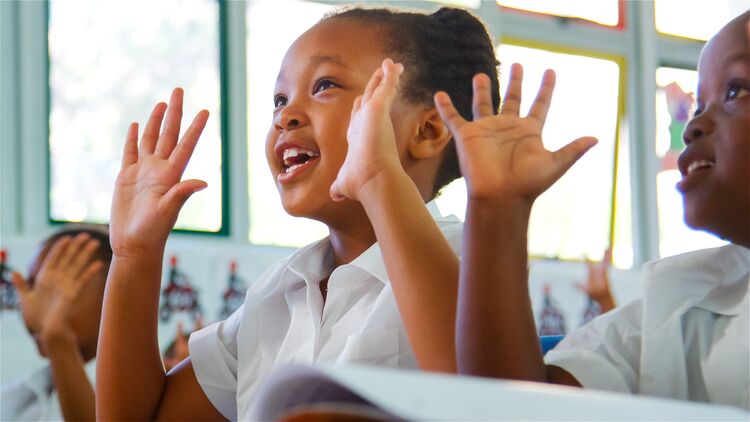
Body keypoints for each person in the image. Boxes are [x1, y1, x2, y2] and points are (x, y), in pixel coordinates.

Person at [96, 6, 499, 420]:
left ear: (427, 131)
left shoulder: (467, 260)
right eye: (280, 99)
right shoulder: (277, 294)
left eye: (325, 85)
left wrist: (380, 180)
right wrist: (134, 256)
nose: (284, 117)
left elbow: (480, 398)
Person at [442, 10, 749, 410]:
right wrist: (499, 208)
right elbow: (518, 409)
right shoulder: (672, 312)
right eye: (697, 107)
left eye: (737, 90)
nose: (694, 126)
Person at [1, 226, 111, 421]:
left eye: (54, 290)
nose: (32, 304)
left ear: (109, 298)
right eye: (32, 287)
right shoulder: (23, 395)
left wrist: (57, 336)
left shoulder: (136, 391)